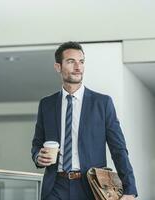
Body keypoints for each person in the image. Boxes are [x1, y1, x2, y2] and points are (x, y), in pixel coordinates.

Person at [31, 41, 138, 200]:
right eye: (70, 61)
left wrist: (129, 189)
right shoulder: (46, 104)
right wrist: (38, 157)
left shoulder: (102, 103)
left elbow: (119, 149)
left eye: (81, 62)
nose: (78, 66)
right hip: (55, 187)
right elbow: (37, 144)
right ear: (58, 67)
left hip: (90, 187)